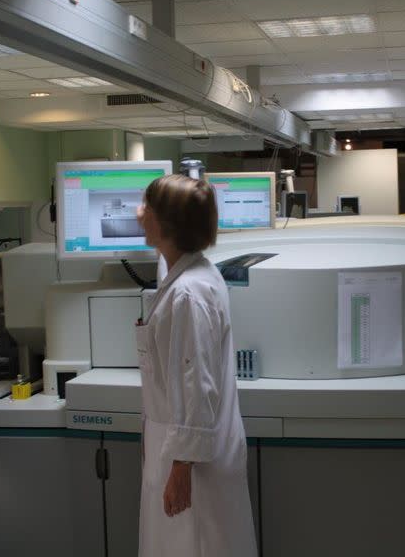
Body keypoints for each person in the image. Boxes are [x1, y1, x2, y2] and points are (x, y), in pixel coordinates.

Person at [135, 174, 257, 557]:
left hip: (192, 460)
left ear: (166, 225)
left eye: (147, 207)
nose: (138, 213)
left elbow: (196, 380)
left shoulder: (189, 293)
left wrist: (182, 467)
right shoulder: (190, 274)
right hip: (184, 448)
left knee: (194, 546)